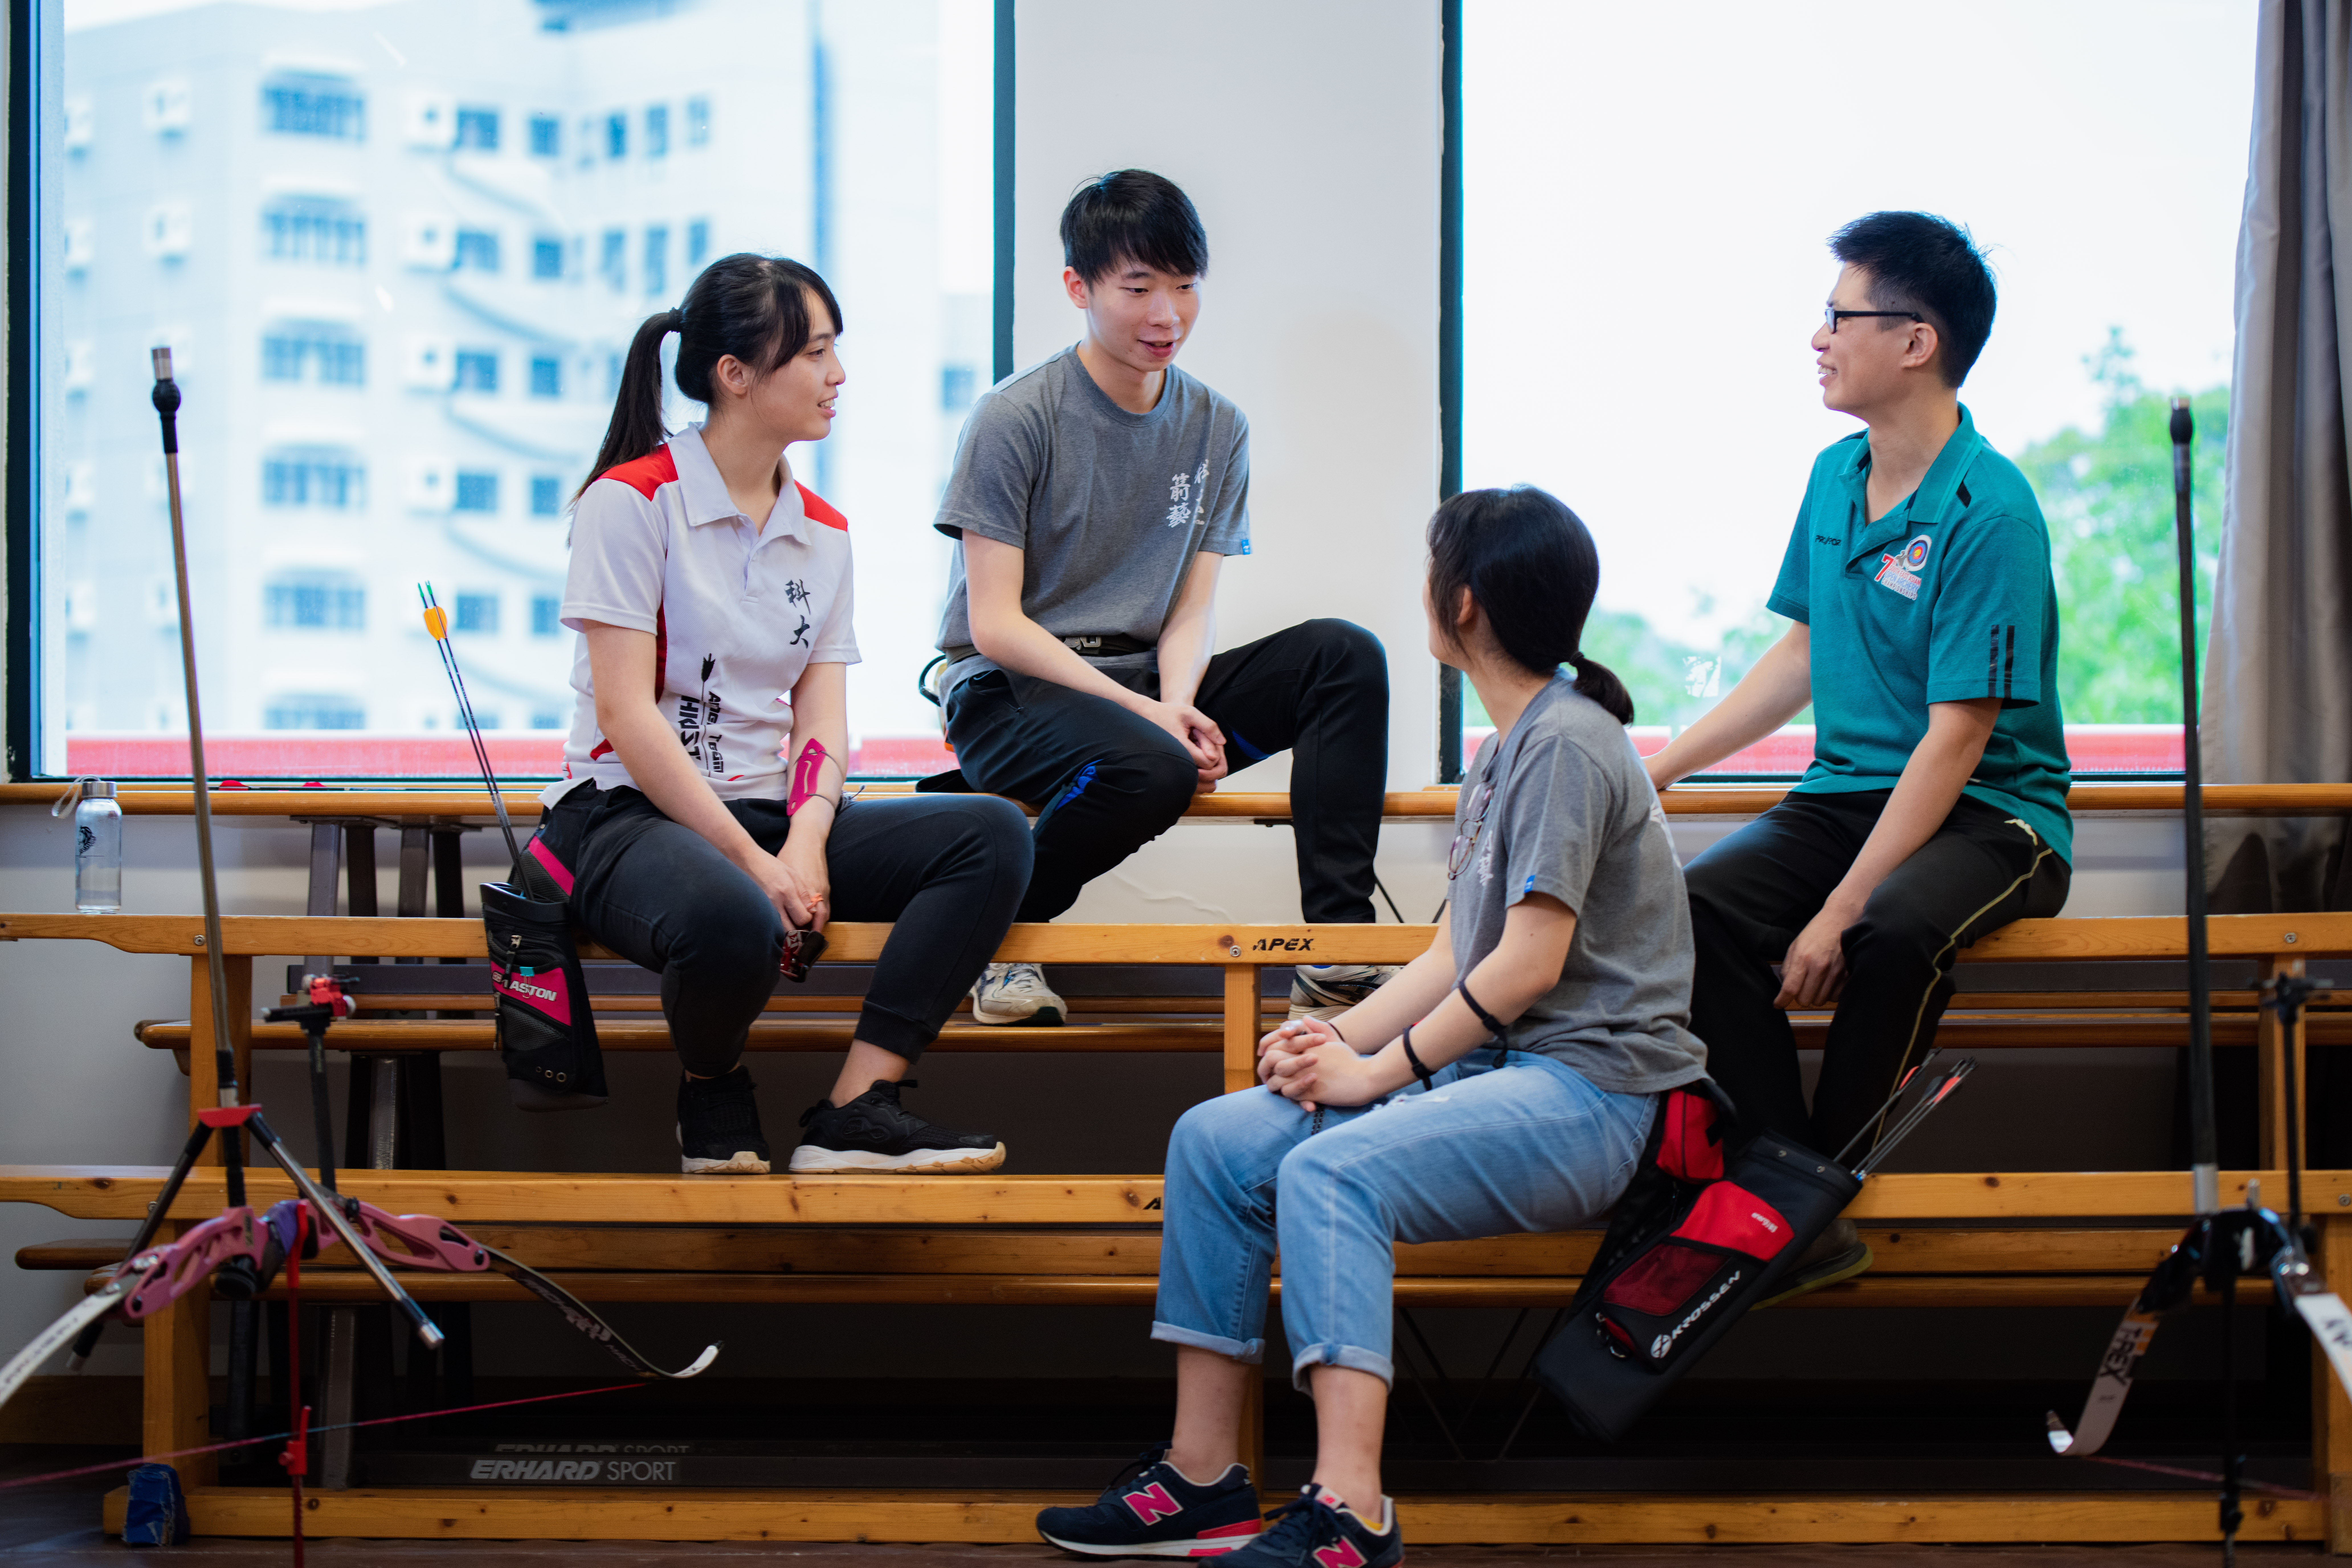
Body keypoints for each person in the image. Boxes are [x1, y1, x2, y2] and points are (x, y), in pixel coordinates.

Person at [1034, 487, 1706, 1566]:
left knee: (1332, 1172)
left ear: (1468, 602)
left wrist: (1373, 1075)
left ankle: (1351, 1513)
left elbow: (1528, 966)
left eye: (1433, 567)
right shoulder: (1505, 751)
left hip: (1592, 1097)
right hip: (1493, 1072)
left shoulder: (1575, 745)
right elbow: (1454, 952)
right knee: (1216, 1140)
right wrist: (1341, 1048)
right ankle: (1202, 1479)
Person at [1643, 211, 2071, 1301]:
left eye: (1841, 316)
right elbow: (1800, 654)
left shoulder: (1993, 510)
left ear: (1916, 340)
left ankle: (1813, 1195)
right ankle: (1793, 1194)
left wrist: (1838, 907)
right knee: (1694, 913)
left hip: (1994, 815)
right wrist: (1663, 766)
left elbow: (1958, 737)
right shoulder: (1837, 476)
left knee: (1889, 927)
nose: (1820, 338)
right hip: (1849, 794)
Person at [534, 253, 1034, 1177]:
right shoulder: (631, 502)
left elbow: (820, 720)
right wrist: (755, 863)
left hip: (774, 815)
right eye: (813, 353)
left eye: (834, 351)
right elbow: (626, 715)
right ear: (736, 375)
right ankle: (712, 1083)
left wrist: (805, 842)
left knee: (993, 834)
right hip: (625, 818)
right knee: (738, 916)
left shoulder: (826, 530)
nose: (837, 375)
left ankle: (855, 1109)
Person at [928, 170, 1392, 1030]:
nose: (1166, 315)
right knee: (1154, 762)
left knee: (1344, 656)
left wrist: (1176, 704)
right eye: (1138, 288)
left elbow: (1189, 612)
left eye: (1184, 286)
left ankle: (1337, 951)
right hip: (1008, 692)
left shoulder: (1219, 427)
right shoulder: (1014, 418)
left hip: (1144, 689)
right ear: (1079, 287)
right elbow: (995, 626)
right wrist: (1155, 724)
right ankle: (1001, 940)